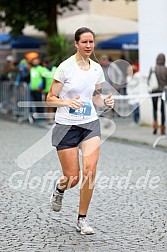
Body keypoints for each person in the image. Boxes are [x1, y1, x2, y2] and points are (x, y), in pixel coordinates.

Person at [47, 27, 114, 235]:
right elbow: (50, 98)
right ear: (76, 44)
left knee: (90, 171)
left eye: (91, 42)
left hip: (90, 124)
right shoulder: (65, 68)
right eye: (84, 42)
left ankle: (81, 219)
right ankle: (59, 188)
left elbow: (95, 97)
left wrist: (105, 101)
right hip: (66, 126)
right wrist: (67, 102)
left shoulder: (96, 69)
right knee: (72, 178)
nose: (88, 46)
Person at [148, 53, 167, 135]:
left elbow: (148, 80)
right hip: (163, 91)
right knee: (163, 110)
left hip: (154, 92)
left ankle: (155, 125)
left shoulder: (153, 68)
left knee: (155, 109)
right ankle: (162, 128)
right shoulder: (166, 69)